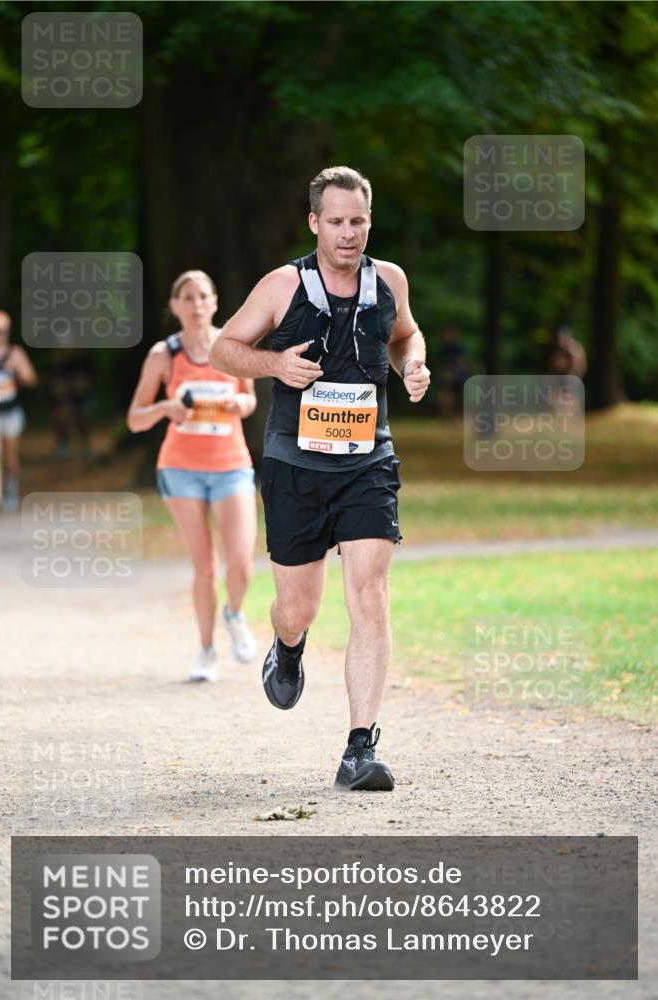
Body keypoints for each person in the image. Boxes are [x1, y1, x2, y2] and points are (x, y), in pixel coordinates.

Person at [210, 166, 430, 791]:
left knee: (369, 594)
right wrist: (275, 362)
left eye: (357, 221)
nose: (347, 233)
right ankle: (288, 645)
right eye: (335, 221)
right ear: (314, 222)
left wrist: (413, 365)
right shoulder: (284, 284)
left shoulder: (389, 280)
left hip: (368, 462)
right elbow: (222, 349)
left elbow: (406, 334)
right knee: (298, 606)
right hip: (295, 467)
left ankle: (360, 748)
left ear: (368, 221)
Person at [127, 271, 258, 681]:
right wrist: (167, 408)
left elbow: (251, 400)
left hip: (231, 466)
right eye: (188, 297)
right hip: (181, 469)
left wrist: (240, 402)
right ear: (176, 306)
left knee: (240, 561)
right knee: (204, 566)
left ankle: (233, 613)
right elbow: (134, 419)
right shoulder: (162, 355)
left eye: (204, 296)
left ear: (215, 302)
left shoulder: (234, 347)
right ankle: (206, 651)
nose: (197, 304)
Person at [0, 310, 38, 511]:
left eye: (0, 331)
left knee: (10, 457)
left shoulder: (16, 353)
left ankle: (11, 489)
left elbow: (32, 379)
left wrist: (17, 370)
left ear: (8, 332)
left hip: (12, 412)